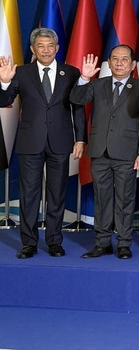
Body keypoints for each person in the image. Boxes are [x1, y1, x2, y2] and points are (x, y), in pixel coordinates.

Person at [0, 28, 85, 259]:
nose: (46, 50)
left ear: (57, 48)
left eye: (50, 46)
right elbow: (4, 101)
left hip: (61, 141)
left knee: (57, 194)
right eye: (40, 46)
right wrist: (5, 83)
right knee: (29, 195)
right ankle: (29, 243)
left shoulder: (71, 72)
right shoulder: (21, 72)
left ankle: (54, 241)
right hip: (30, 142)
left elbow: (78, 108)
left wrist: (80, 138)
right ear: (33, 49)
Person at [70, 46, 139, 259]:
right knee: (102, 198)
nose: (119, 62)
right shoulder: (98, 84)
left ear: (132, 65)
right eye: (115, 58)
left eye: (124, 59)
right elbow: (77, 99)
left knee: (125, 199)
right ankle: (102, 243)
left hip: (127, 153)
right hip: (99, 152)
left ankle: (124, 243)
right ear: (109, 62)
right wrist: (84, 78)